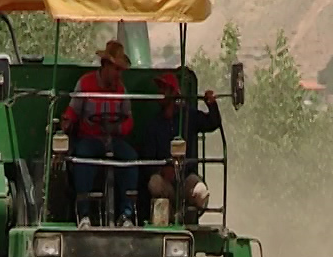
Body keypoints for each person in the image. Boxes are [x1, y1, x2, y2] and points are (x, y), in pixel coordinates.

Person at [60, 40, 138, 229]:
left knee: (131, 158)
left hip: (114, 140)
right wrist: (66, 121)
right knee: (82, 157)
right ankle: (84, 214)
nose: (119, 74)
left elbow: (129, 119)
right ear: (105, 65)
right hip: (89, 139)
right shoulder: (85, 83)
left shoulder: (121, 89)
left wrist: (117, 129)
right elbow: (72, 111)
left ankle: (126, 215)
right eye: (116, 69)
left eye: (121, 70)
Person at [142, 72, 221, 216]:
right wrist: (162, 170)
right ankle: (171, 215)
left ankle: (185, 215)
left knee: (201, 193)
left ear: (173, 93)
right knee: (154, 183)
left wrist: (211, 104)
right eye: (160, 89)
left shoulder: (188, 116)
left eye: (164, 89)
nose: (160, 93)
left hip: (186, 178)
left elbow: (212, 123)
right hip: (166, 183)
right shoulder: (153, 125)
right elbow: (148, 159)